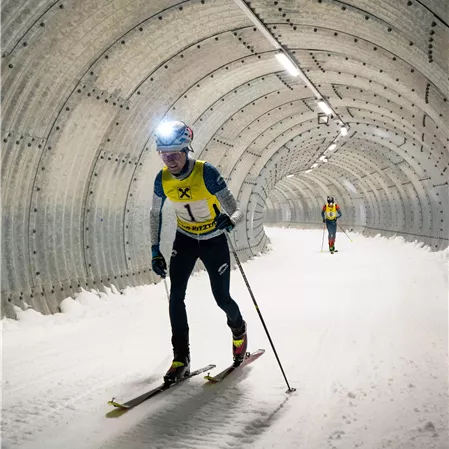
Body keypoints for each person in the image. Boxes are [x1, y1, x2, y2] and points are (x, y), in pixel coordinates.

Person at [150, 121, 248, 384]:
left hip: (214, 240)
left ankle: (239, 329)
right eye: (164, 154)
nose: (169, 160)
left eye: (175, 154)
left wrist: (230, 220)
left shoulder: (206, 173)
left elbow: (236, 209)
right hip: (185, 240)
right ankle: (181, 358)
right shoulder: (162, 179)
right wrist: (154, 250)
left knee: (222, 298)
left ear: (187, 150)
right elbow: (154, 213)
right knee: (175, 298)